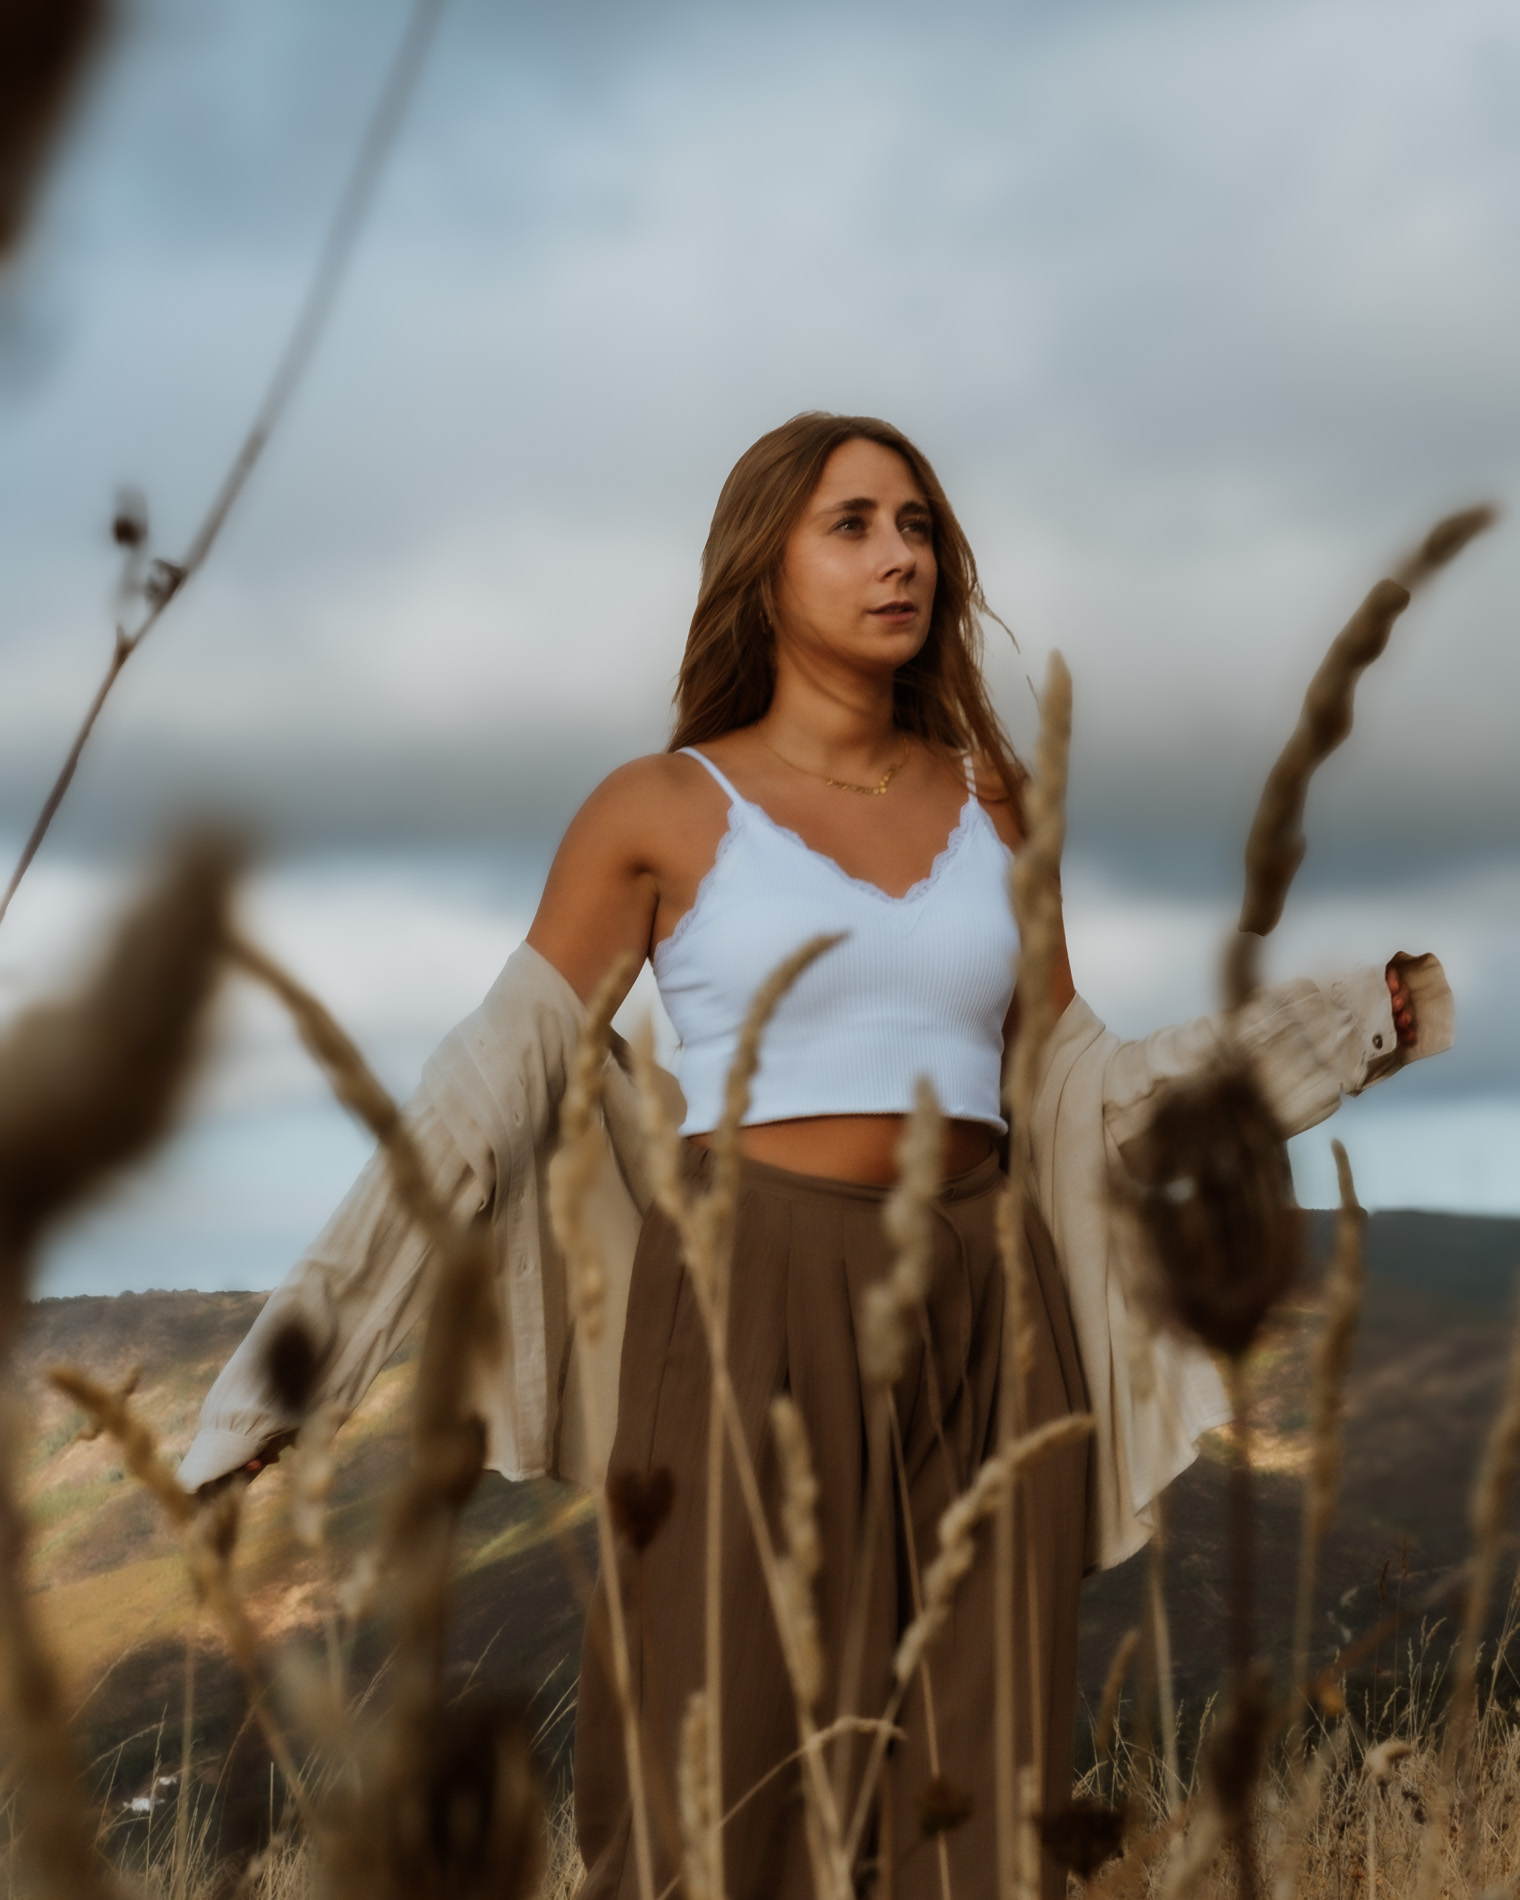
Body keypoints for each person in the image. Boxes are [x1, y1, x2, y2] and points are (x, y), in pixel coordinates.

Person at [179, 413, 1448, 1900]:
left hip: (991, 1317)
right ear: (761, 566)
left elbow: (1086, 1089)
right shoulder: (658, 811)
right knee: (713, 1799)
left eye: (917, 526)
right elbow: (487, 1091)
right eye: (851, 525)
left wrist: (1338, 1030)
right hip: (740, 1314)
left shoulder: (994, 802)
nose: (899, 555)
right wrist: (294, 1362)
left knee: (978, 1800)